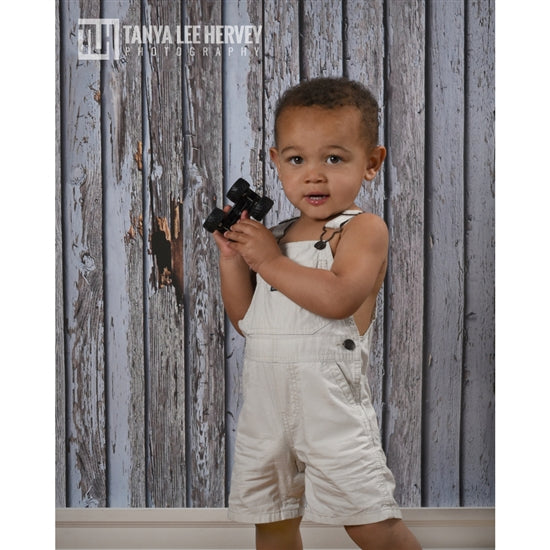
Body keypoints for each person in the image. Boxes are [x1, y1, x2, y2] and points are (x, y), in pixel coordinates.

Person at [211, 77, 422, 550]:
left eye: (334, 157)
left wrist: (268, 261)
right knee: (274, 518)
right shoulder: (278, 235)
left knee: (369, 520)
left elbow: (339, 297)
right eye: (296, 159)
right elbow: (249, 321)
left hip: (330, 407)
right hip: (265, 408)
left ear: (371, 163)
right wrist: (233, 259)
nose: (314, 175)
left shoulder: (362, 230)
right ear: (276, 162)